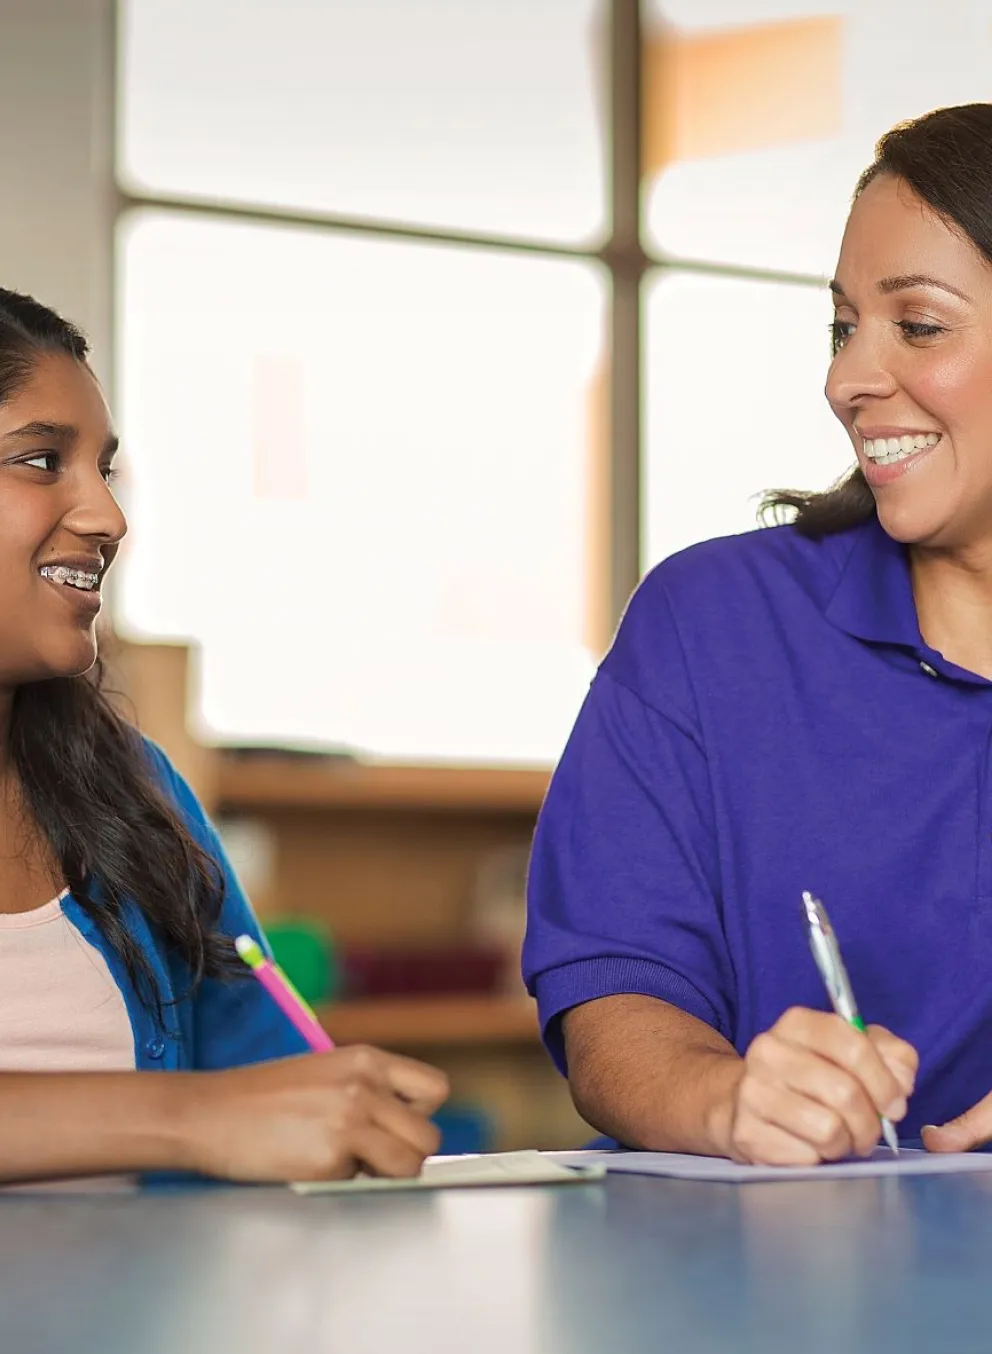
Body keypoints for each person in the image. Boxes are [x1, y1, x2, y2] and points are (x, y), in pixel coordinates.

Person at [524, 102, 992, 1166]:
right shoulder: (709, 626)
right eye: (840, 325)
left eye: (914, 325)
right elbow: (612, 1001)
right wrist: (724, 1099)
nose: (845, 379)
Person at [0, 286, 447, 1183]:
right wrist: (184, 1119)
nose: (108, 517)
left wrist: (335, 1121)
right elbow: (213, 1117)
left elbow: (263, 1083)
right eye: (43, 460)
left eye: (104, 468)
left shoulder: (135, 793)